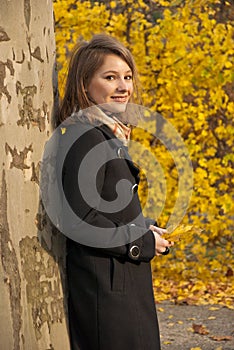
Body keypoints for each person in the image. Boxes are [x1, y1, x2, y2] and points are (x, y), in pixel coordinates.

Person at [58, 34, 173, 350]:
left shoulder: (102, 133)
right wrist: (141, 242)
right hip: (105, 293)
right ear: (85, 84)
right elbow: (80, 221)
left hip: (120, 285)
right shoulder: (85, 138)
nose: (124, 86)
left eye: (127, 77)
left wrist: (143, 227)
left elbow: (105, 206)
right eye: (110, 77)